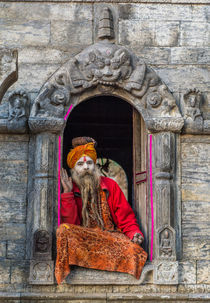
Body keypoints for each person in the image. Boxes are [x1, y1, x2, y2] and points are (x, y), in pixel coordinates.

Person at [55, 137, 147, 284]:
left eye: (89, 163)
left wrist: (134, 233)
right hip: (84, 240)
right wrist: (67, 193)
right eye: (80, 164)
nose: (86, 168)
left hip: (108, 239)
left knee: (134, 252)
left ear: (95, 166)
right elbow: (72, 225)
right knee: (64, 230)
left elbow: (125, 217)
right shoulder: (71, 188)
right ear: (73, 169)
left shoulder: (110, 185)